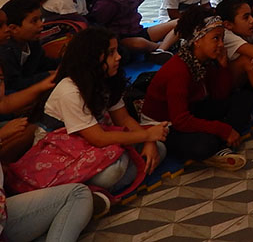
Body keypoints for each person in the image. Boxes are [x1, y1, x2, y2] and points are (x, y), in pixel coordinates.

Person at [34, 27, 168, 194]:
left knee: (158, 149)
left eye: (117, 51)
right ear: (91, 58)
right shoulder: (70, 90)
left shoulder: (106, 79)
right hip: (63, 151)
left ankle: (97, 187)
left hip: (93, 142)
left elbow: (123, 119)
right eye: (111, 53)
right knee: (112, 173)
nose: (118, 57)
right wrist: (147, 135)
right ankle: (85, 190)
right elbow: (98, 138)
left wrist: (149, 141)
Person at [141, 7, 251, 170]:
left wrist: (223, 68)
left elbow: (219, 96)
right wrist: (223, 129)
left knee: (243, 98)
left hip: (191, 110)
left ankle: (220, 144)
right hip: (165, 126)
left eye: (222, 38)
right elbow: (180, 121)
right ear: (197, 40)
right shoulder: (178, 70)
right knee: (204, 144)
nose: (221, 44)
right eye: (216, 38)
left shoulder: (204, 60)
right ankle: (218, 147)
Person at [0, 8, 55, 162]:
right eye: (0, 25)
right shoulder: (6, 53)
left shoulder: (32, 45)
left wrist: (44, 84)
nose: (7, 29)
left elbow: (4, 103)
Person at [0, 0, 58, 92]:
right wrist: (48, 75)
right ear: (14, 29)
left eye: (41, 19)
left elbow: (44, 63)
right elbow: (12, 84)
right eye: (34, 21)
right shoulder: (5, 51)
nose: (41, 24)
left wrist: (67, 63)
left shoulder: (32, 42)